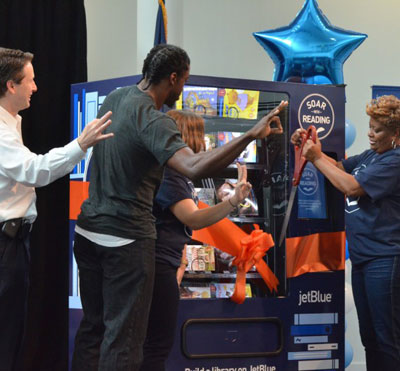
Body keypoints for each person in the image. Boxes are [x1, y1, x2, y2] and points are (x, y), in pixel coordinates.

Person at [71, 44, 287, 371]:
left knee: (93, 330)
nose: (184, 88)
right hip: (126, 241)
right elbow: (195, 167)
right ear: (172, 78)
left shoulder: (116, 97)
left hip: (89, 233)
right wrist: (249, 135)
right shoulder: (155, 121)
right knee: (124, 340)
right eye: (184, 80)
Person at [0, 47, 112, 371]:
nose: (35, 88)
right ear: (11, 85)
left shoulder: (12, 123)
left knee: (11, 334)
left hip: (14, 243)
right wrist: (81, 144)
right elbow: (35, 170)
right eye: (30, 81)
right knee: (6, 335)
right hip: (6, 246)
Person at [292, 95, 400, 371]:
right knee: (371, 338)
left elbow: (350, 187)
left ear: (396, 133)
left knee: (388, 338)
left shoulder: (399, 160)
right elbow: (338, 169)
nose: (370, 133)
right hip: (368, 256)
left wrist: (316, 157)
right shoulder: (373, 156)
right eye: (370, 126)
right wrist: (311, 147)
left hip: (390, 255)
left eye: (377, 130)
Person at [140, 110, 253, 370]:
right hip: (158, 268)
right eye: (201, 136)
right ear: (188, 138)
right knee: (156, 347)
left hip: (160, 265)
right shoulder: (171, 174)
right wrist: (234, 201)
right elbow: (193, 218)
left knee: (152, 345)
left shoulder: (173, 173)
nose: (205, 145)